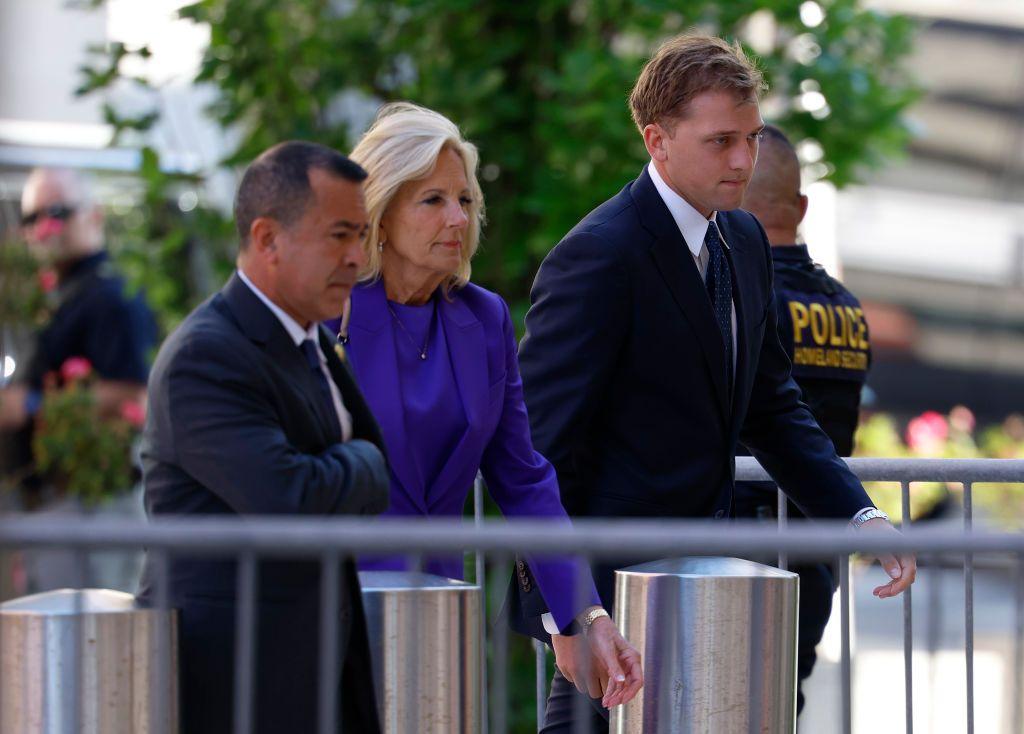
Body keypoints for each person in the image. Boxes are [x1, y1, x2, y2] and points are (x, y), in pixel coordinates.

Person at [515, 34, 915, 731]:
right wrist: (569, 613)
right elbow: (542, 451)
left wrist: (861, 514)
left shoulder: (745, 240)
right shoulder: (597, 256)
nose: (742, 160)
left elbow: (775, 408)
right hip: (612, 598)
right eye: (721, 140)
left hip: (701, 589)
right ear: (657, 140)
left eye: (752, 138)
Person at [332, 102, 642, 710]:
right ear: (382, 213)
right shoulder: (328, 309)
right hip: (332, 608)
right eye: (432, 200)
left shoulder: (484, 317)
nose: (457, 218)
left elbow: (524, 478)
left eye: (465, 200)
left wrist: (585, 613)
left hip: (436, 606)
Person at [136, 142, 391, 734]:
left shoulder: (310, 339)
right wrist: (358, 464)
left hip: (312, 671)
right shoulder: (205, 356)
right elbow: (289, 498)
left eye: (362, 236)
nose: (358, 257)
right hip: (230, 684)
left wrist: (352, 466)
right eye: (340, 235)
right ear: (267, 239)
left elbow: (377, 474)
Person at [733, 124, 872, 714]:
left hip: (742, 540)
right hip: (815, 548)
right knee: (780, 704)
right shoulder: (847, 308)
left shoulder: (744, 295)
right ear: (803, 207)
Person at [0, 168, 157, 495]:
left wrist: (30, 404)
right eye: (31, 217)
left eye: (57, 212)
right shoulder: (62, 294)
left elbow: (135, 395)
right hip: (53, 501)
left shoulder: (111, 296)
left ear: (94, 216)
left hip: (94, 503)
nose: (44, 228)